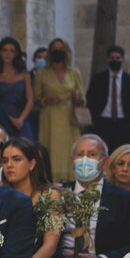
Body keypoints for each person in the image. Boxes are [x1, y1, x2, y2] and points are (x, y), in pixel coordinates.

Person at [33, 37, 84, 181]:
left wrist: (76, 96)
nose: (58, 52)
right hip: (49, 117)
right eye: (54, 49)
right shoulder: (42, 74)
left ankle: (71, 180)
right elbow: (36, 99)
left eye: (60, 49)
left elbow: (83, 100)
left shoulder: (74, 73)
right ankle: (51, 179)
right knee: (51, 149)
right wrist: (47, 100)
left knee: (69, 148)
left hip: (69, 117)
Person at [85, 45, 130, 150]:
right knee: (103, 153)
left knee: (121, 152)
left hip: (123, 123)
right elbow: (90, 98)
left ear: (122, 59)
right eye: (112, 58)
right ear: (107, 59)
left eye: (118, 58)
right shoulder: (98, 79)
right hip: (103, 122)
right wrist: (93, 118)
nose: (115, 60)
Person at [0, 37, 36, 141]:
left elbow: (30, 100)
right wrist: (9, 118)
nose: (8, 54)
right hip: (2, 116)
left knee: (26, 145)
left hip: (21, 116)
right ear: (0, 52)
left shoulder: (24, 74)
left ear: (16, 54)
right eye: (5, 50)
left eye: (12, 51)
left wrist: (21, 119)